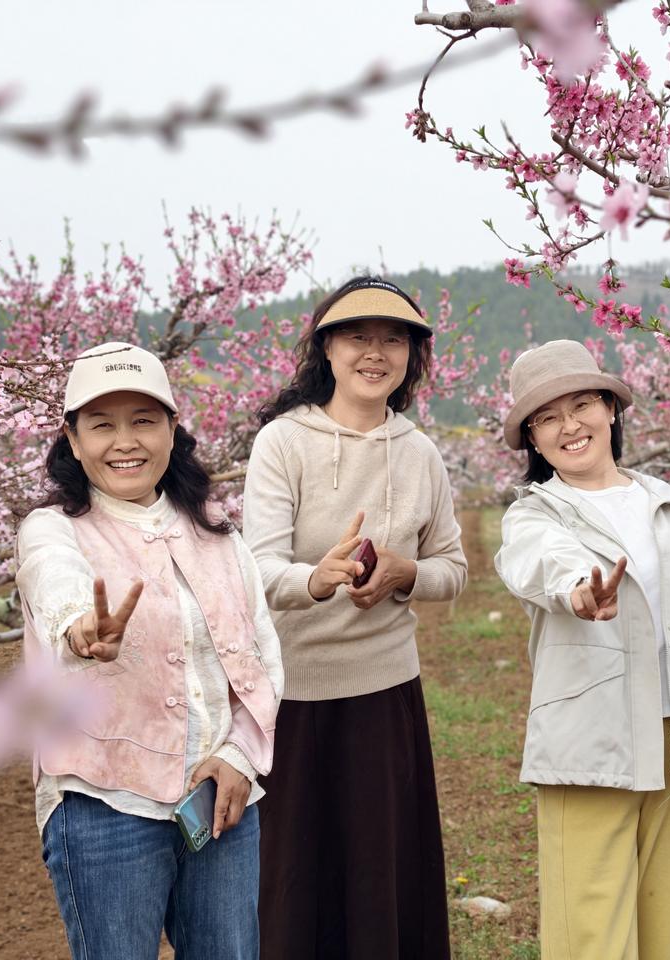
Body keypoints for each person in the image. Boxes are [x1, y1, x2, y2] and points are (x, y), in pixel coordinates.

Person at [492, 339, 670, 960]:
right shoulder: (535, 515)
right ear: (533, 439)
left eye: (582, 404)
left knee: (663, 932)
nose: (570, 426)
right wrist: (578, 593)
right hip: (593, 741)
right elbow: (542, 564)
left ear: (612, 409)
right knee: (589, 938)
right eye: (547, 418)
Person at [16, 341, 283, 960]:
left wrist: (242, 757)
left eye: (143, 420)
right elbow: (56, 581)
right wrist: (81, 628)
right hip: (102, 802)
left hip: (217, 800)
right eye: (101, 425)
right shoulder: (54, 529)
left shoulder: (217, 534)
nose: (124, 442)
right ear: (73, 440)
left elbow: (262, 657)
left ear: (172, 430)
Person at [243, 276, 468, 959]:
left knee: (382, 873)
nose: (376, 353)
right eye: (358, 337)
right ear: (327, 349)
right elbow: (256, 567)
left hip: (385, 694)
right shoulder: (284, 443)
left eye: (394, 340)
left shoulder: (421, 452)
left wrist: (406, 574)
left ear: (412, 357)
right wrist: (315, 579)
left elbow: (453, 569)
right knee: (295, 880)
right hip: (296, 696)